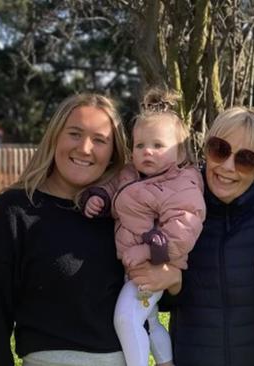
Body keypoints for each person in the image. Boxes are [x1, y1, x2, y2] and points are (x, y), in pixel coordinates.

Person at [0, 93, 130, 366]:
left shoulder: (123, 212)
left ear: (113, 152)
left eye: (100, 140)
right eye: (75, 134)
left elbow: (163, 296)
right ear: (54, 137)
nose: (85, 148)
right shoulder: (13, 212)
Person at [129, 107, 254, 366]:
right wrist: (173, 283)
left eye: (246, 159)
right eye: (220, 149)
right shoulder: (174, 206)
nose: (227, 166)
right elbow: (158, 300)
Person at [81, 88, 206, 366]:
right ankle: (165, 362)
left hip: (153, 268)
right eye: (140, 146)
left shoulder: (180, 185)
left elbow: (184, 230)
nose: (147, 151)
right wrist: (99, 197)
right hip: (133, 267)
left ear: (180, 151)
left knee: (126, 318)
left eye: (158, 146)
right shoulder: (131, 173)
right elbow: (112, 186)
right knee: (148, 322)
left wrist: (148, 250)